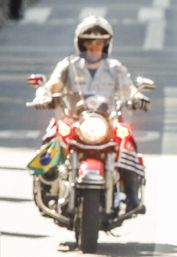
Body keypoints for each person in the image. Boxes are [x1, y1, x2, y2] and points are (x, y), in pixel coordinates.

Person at [29, 15, 151, 211]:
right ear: (80, 44)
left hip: (107, 123)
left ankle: (131, 195)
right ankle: (47, 187)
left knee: (127, 143)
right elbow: (51, 86)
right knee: (52, 139)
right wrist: (43, 96)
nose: (94, 47)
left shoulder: (115, 68)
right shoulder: (68, 65)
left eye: (99, 42)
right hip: (73, 120)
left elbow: (128, 88)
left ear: (106, 45)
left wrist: (138, 97)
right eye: (89, 42)